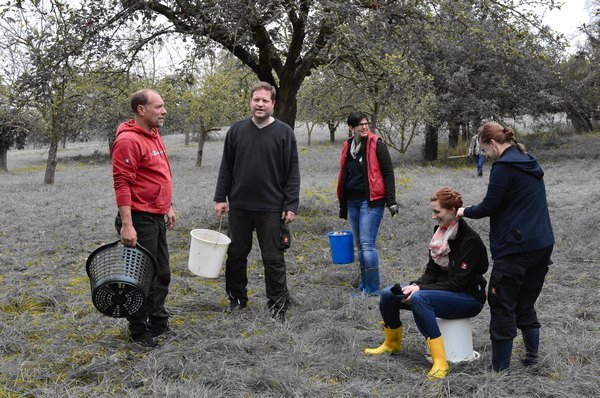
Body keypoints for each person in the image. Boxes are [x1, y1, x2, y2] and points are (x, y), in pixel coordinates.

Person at [457, 121, 554, 372]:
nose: (486, 157)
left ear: (493, 144)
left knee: (502, 304)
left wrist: (463, 211)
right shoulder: (527, 158)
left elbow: (490, 206)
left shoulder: (503, 167)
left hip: (516, 248)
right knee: (524, 303)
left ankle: (500, 369)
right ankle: (533, 358)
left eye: (485, 152)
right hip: (542, 244)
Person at [364, 187, 488, 380]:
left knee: (420, 298)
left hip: (468, 298)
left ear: (454, 210)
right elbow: (432, 270)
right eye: (433, 211)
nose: (433, 217)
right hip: (442, 292)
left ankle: (440, 362)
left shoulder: (470, 240)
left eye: (437, 212)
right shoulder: (440, 234)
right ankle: (392, 343)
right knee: (389, 293)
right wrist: (416, 284)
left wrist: (420, 289)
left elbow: (458, 283)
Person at [214, 81, 300, 321]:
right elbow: (226, 168)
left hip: (271, 208)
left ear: (273, 104)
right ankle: (237, 299)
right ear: (250, 102)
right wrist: (221, 198)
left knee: (273, 258)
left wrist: (291, 204)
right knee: (236, 255)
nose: (260, 104)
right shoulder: (236, 130)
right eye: (256, 100)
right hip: (240, 206)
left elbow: (292, 172)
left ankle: (278, 305)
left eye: (265, 100)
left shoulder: (284, 133)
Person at [112, 88, 176, 348]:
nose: (164, 111)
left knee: (162, 274)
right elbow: (122, 184)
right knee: (141, 278)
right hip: (139, 219)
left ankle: (158, 323)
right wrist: (127, 225)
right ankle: (138, 330)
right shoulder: (128, 141)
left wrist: (167, 206)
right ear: (141, 110)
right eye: (159, 107)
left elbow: (159, 174)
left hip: (156, 215)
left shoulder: (153, 133)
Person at [336, 111, 398, 295]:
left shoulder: (376, 144)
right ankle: (364, 285)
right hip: (352, 201)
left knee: (366, 243)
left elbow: (388, 173)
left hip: (371, 201)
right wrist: (343, 203)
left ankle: (372, 289)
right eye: (360, 124)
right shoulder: (348, 146)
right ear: (351, 128)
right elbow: (344, 174)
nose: (364, 127)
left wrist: (391, 201)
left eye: (366, 123)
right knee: (359, 244)